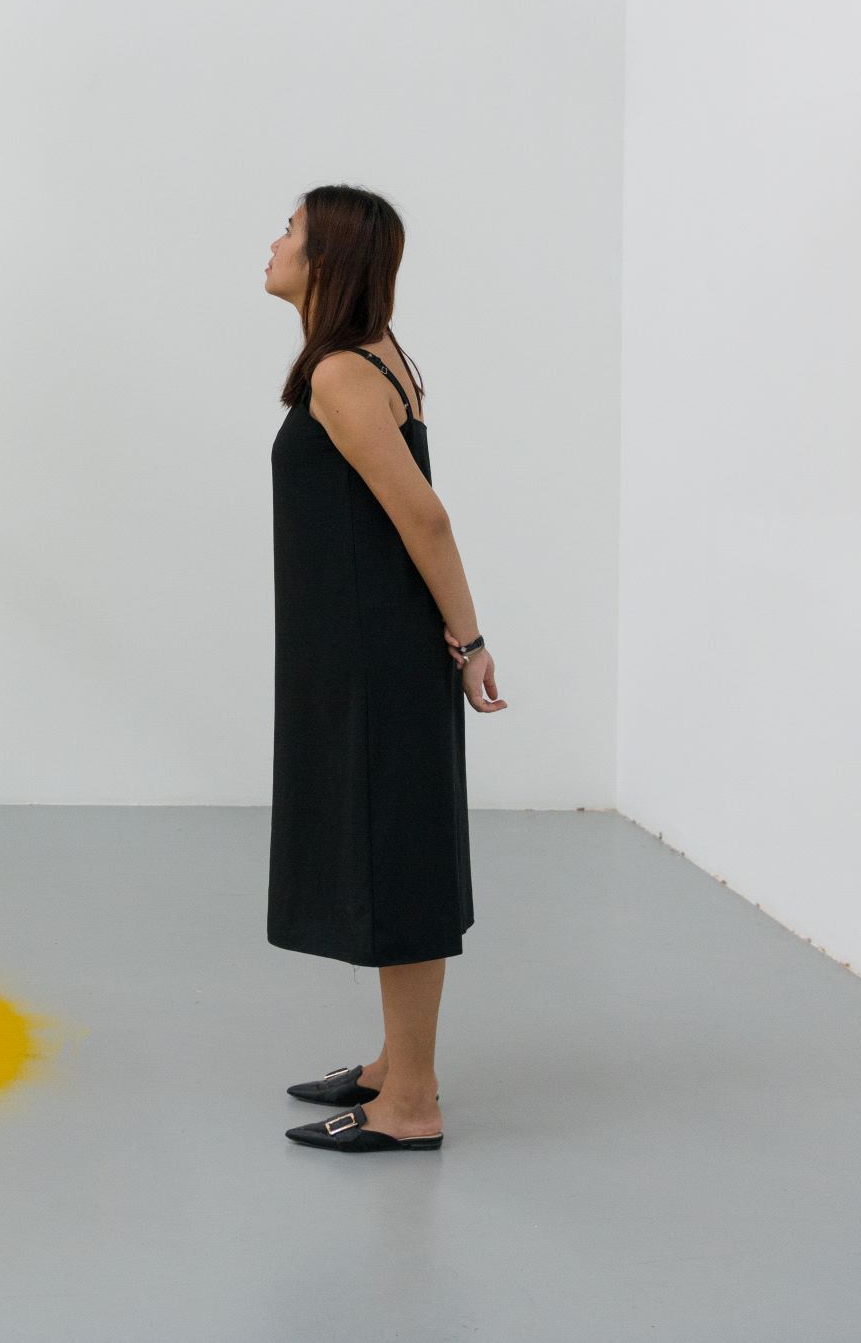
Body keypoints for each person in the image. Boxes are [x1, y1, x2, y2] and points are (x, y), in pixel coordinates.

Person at [262, 184, 507, 1155]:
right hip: (366, 648)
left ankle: (409, 1106)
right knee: (391, 855)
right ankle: (399, 1066)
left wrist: (470, 641)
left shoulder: (340, 374)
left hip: (378, 656)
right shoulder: (374, 354)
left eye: (289, 229)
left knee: (397, 866)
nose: (274, 241)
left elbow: (424, 516)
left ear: (325, 258)